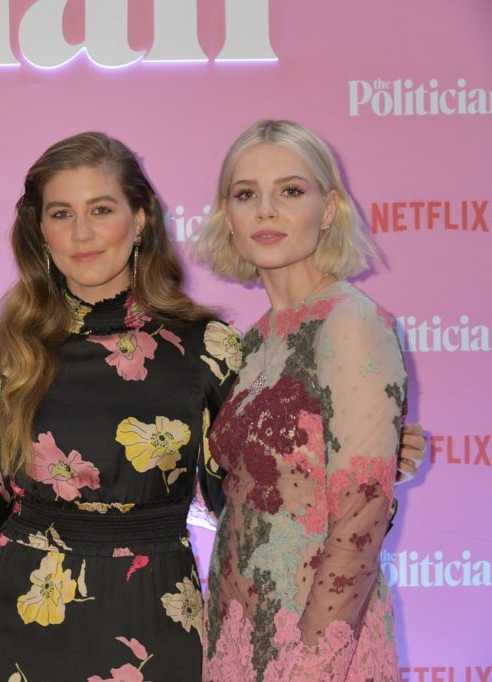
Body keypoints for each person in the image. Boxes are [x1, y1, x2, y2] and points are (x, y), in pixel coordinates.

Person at [0, 131, 232, 681]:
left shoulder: (206, 346)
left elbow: (247, 501)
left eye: (102, 209)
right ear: (39, 229)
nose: (82, 233)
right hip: (22, 618)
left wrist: (358, 460)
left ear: (140, 219)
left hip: (156, 618)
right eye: (61, 213)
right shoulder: (2, 349)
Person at [195, 120, 404, 680]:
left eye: (290, 191)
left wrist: (312, 660)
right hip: (236, 638)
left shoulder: (350, 322)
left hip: (315, 646)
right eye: (247, 195)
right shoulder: (254, 340)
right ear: (228, 216)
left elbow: (362, 512)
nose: (266, 211)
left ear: (329, 207)